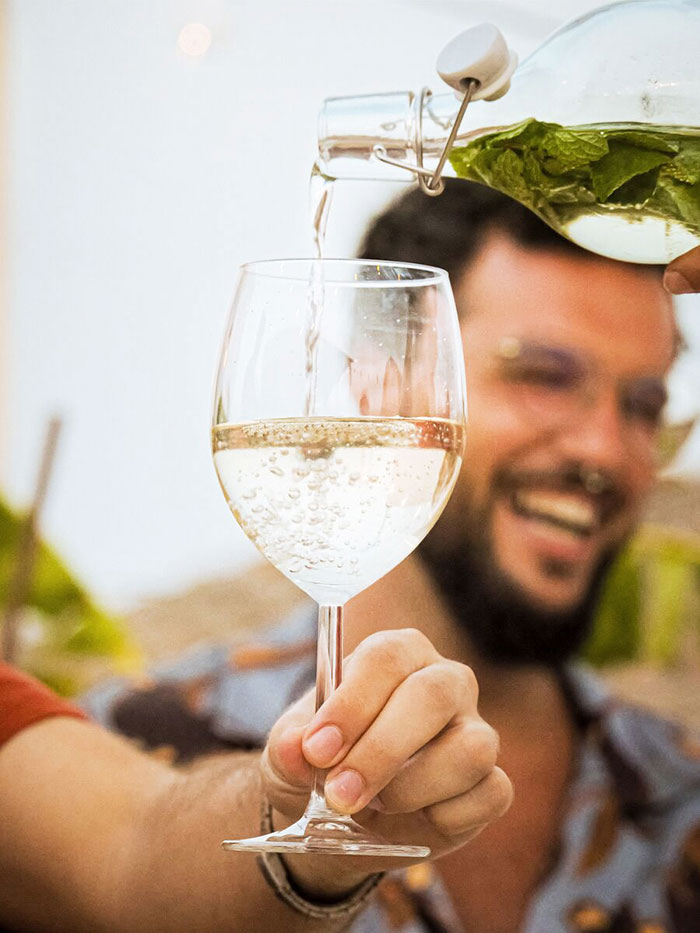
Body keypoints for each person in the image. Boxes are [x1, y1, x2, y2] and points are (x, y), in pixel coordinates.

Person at [2, 184, 699, 932]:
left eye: (644, 403)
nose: (603, 449)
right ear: (378, 382)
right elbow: (133, 865)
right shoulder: (132, 731)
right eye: (544, 375)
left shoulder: (685, 794)